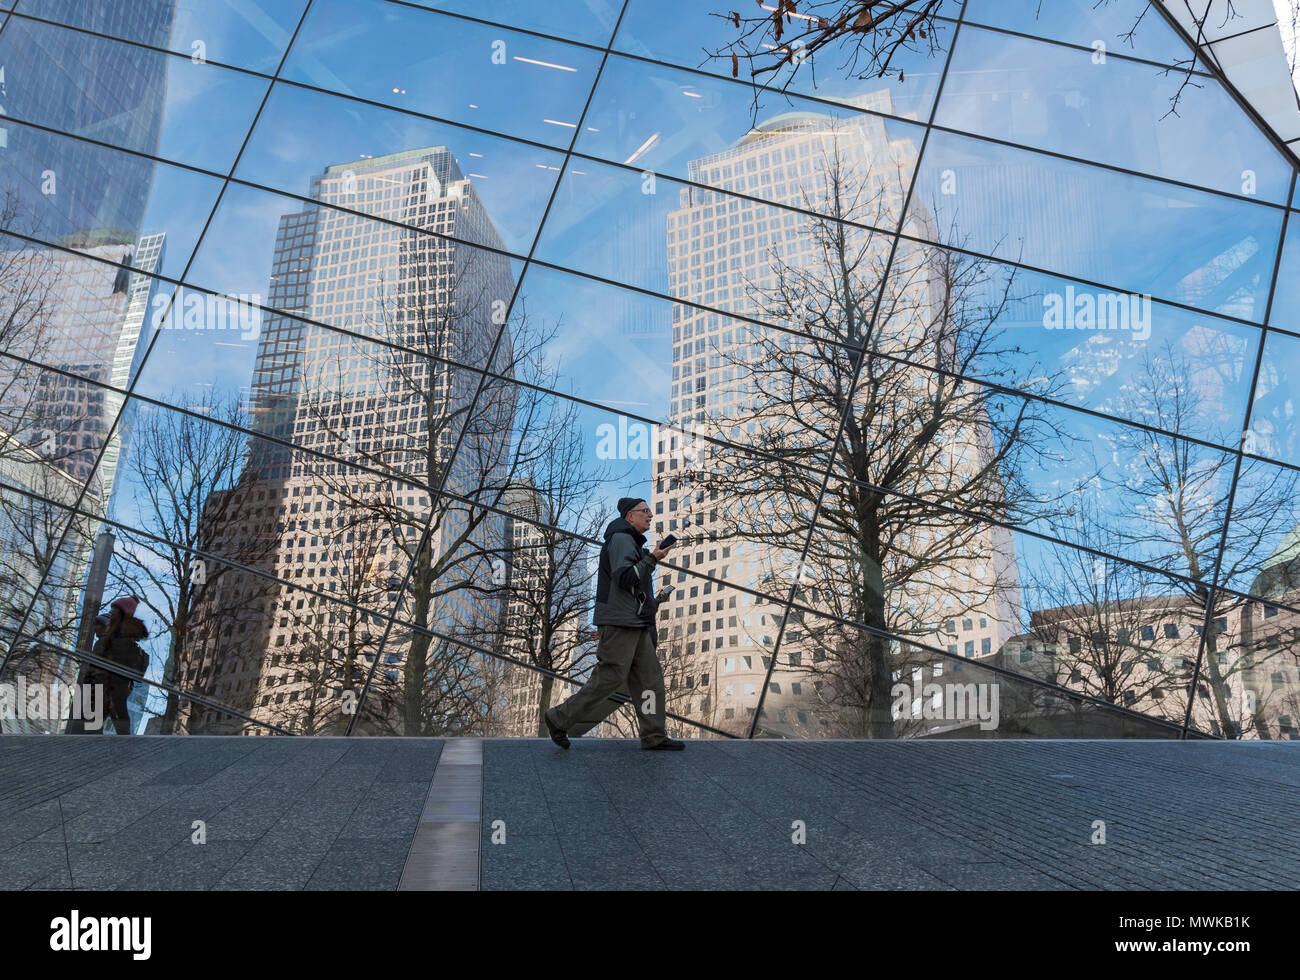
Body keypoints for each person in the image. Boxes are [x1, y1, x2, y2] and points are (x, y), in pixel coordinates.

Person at [545, 497, 684, 751]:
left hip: (635, 623)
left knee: (649, 680)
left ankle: (654, 736)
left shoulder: (630, 541)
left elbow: (634, 582)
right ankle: (558, 718)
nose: (650, 515)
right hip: (620, 623)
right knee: (609, 677)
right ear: (630, 516)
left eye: (650, 511)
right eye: (645, 511)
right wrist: (652, 558)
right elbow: (626, 577)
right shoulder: (621, 538)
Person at [68, 596, 148, 735]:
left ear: (122, 613)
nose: (112, 613)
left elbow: (113, 674)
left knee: (86, 730)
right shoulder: (111, 638)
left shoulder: (120, 641)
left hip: (103, 692)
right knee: (87, 729)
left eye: (115, 610)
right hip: (98, 693)